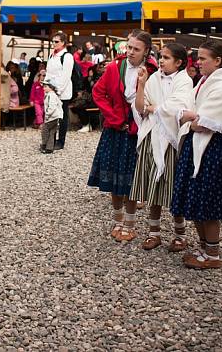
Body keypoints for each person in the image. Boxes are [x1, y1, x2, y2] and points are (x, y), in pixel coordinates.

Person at [172, 40, 222, 269]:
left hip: (212, 151)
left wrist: (190, 120)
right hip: (197, 146)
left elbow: (203, 122)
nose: (198, 62)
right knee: (197, 198)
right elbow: (184, 109)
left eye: (203, 58)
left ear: (218, 60)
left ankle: (212, 254)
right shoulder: (203, 81)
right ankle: (203, 247)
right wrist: (189, 117)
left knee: (208, 200)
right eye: (198, 58)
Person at [87, 31, 156, 242]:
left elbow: (157, 101)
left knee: (131, 179)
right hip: (115, 127)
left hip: (139, 129)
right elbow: (98, 92)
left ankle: (130, 223)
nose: (130, 52)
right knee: (112, 175)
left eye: (136, 49)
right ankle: (117, 221)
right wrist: (115, 117)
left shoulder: (153, 70)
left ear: (146, 51)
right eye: (129, 47)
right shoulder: (115, 67)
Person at [132, 42, 194, 251]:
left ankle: (180, 234)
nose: (161, 60)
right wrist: (141, 84)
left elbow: (178, 106)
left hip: (172, 139)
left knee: (173, 186)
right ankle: (154, 232)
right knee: (153, 185)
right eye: (160, 56)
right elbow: (141, 108)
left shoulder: (184, 80)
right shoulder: (153, 79)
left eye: (166, 58)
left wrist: (155, 108)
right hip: (152, 135)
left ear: (179, 62)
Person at [45, 32, 74, 150]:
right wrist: (46, 86)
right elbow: (48, 72)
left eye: (56, 41)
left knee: (62, 117)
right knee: (52, 116)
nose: (54, 44)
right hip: (51, 91)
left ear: (63, 42)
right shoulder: (52, 55)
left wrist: (57, 91)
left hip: (62, 92)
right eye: (53, 41)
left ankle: (61, 141)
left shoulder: (67, 56)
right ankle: (50, 140)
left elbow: (66, 76)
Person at [40, 79, 63, 154]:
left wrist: (47, 114)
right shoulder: (52, 95)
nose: (44, 88)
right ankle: (49, 148)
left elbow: (52, 107)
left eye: (46, 86)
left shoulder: (51, 95)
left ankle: (44, 144)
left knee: (45, 130)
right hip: (56, 117)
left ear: (51, 87)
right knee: (52, 132)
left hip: (52, 117)